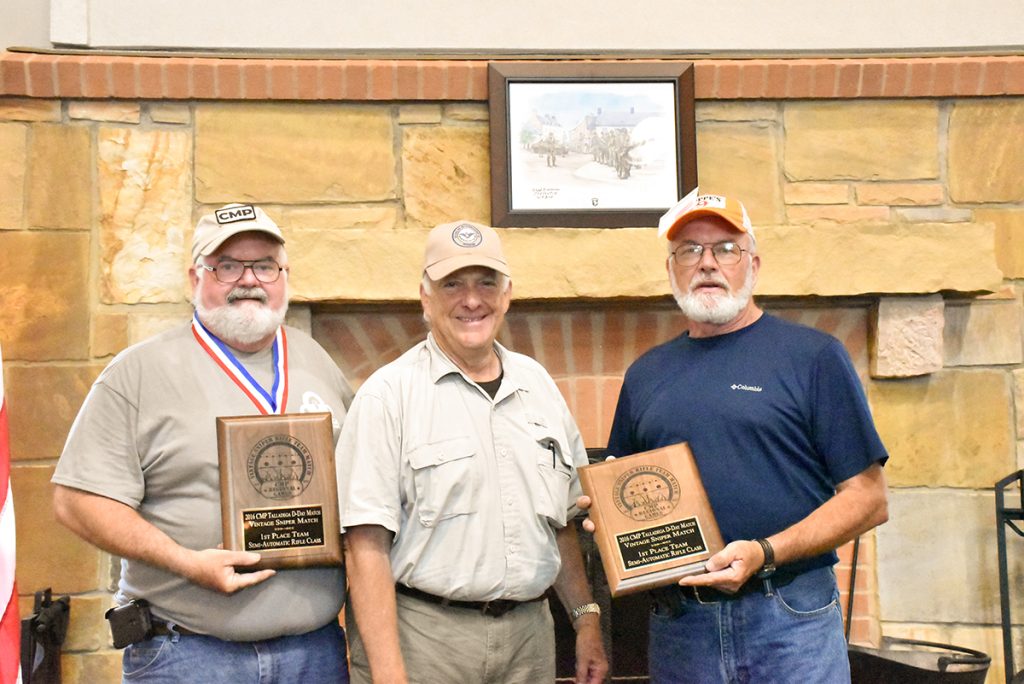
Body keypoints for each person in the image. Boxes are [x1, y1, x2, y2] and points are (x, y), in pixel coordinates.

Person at [587, 190, 889, 683]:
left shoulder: (813, 357)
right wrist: (604, 519)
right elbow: (623, 489)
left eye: (725, 248)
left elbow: (869, 499)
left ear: (754, 265)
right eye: (690, 250)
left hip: (790, 615)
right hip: (681, 625)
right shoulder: (645, 374)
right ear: (671, 270)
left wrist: (764, 553)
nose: (707, 263)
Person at [52, 204, 353, 683]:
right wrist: (186, 563)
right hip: (186, 654)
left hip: (314, 652)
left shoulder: (317, 359)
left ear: (285, 275)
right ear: (195, 277)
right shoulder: (136, 373)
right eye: (228, 266)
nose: (249, 280)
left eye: (265, 265)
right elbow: (77, 500)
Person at [337, 220, 608, 684]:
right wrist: (387, 673)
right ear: (425, 297)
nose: (471, 300)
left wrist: (585, 620)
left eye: (486, 283)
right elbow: (365, 547)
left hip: (530, 641)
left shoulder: (538, 386)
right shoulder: (387, 396)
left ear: (507, 294)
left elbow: (562, 522)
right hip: (425, 641)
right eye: (452, 284)